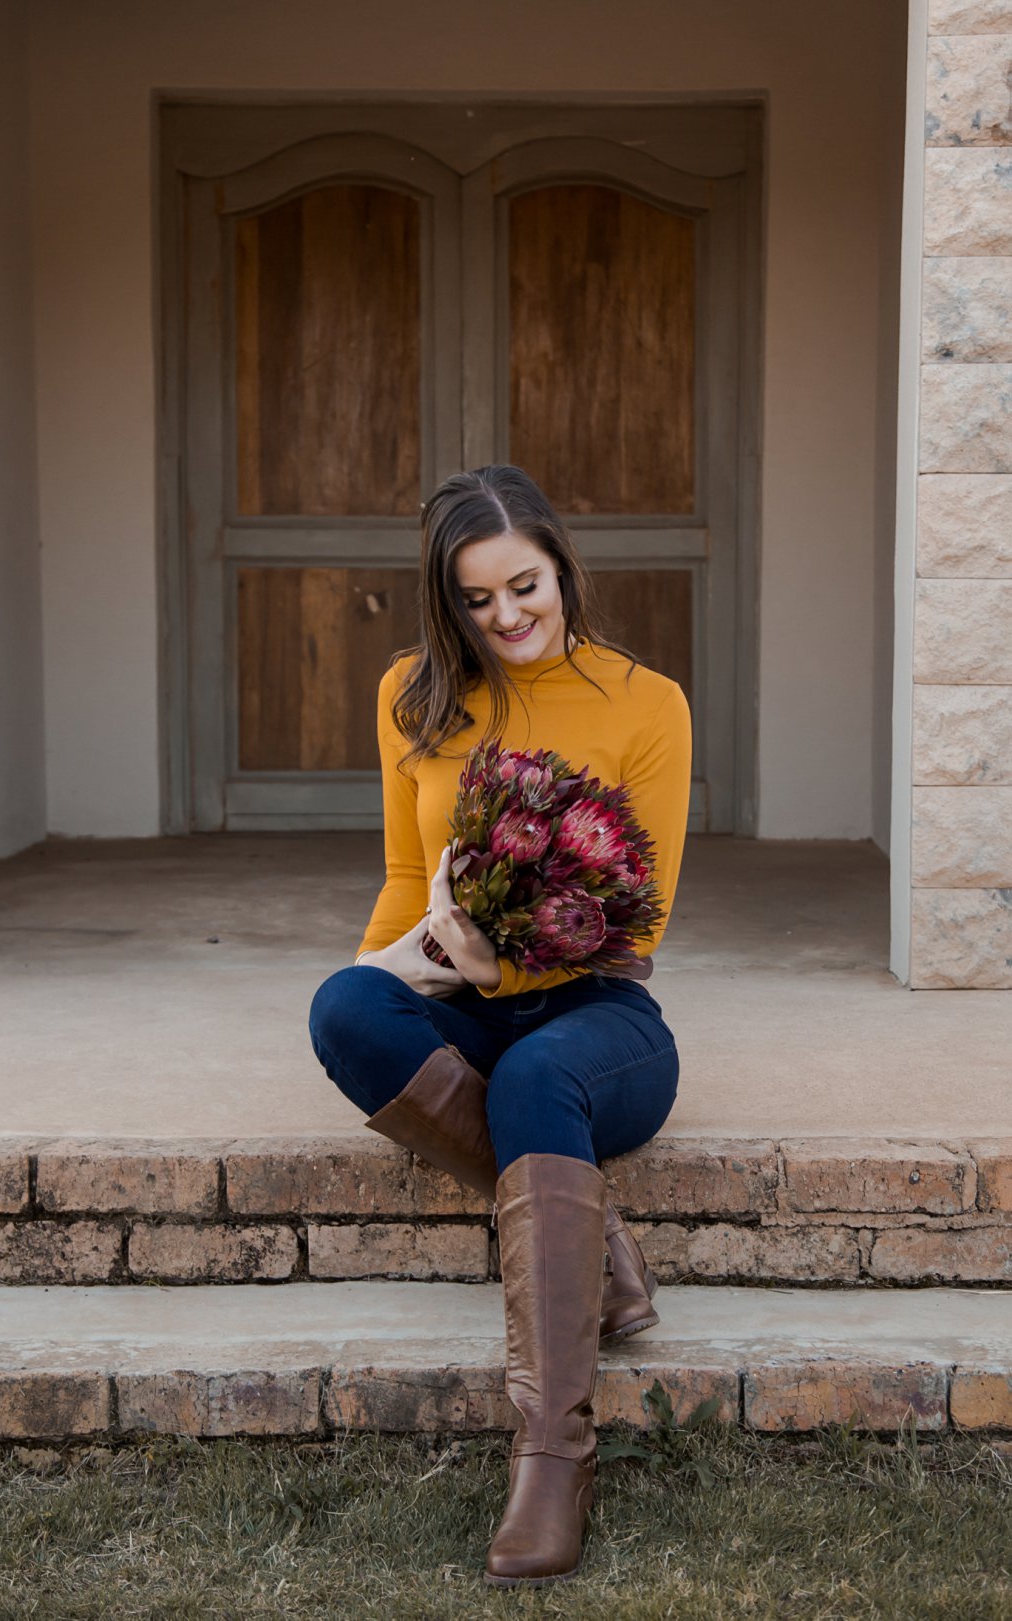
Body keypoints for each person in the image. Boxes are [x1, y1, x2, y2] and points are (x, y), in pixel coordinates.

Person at [309, 464, 692, 1588]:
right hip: (463, 1000)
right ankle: (600, 1252)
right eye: (477, 600)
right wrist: (394, 972)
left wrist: (505, 955)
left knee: (537, 1076)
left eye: (524, 585)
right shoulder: (411, 694)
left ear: (563, 567)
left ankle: (552, 1452)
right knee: (343, 1008)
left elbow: (645, 923)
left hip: (599, 1012)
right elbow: (401, 875)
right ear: (448, 604)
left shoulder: (645, 702)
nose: (507, 617)